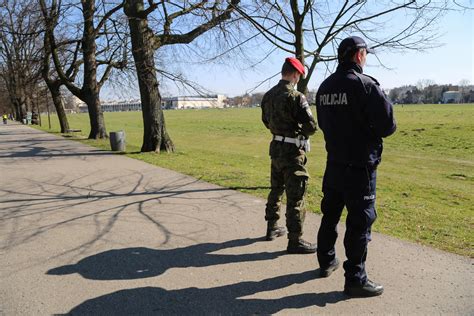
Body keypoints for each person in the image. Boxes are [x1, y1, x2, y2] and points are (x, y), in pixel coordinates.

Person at [315, 36, 396, 297]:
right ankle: (355, 279)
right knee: (360, 223)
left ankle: (326, 261)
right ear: (358, 55)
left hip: (334, 163)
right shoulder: (365, 85)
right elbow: (388, 126)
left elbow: (324, 124)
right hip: (360, 167)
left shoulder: (324, 87)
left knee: (330, 213)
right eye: (366, 53)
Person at [261, 57, 318, 254]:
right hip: (293, 152)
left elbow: (266, 122)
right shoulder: (296, 97)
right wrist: (301, 133)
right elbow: (312, 126)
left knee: (276, 189)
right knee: (296, 196)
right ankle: (295, 240)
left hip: (276, 148)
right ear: (295, 74)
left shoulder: (268, 96)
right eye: (298, 76)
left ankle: (272, 227)